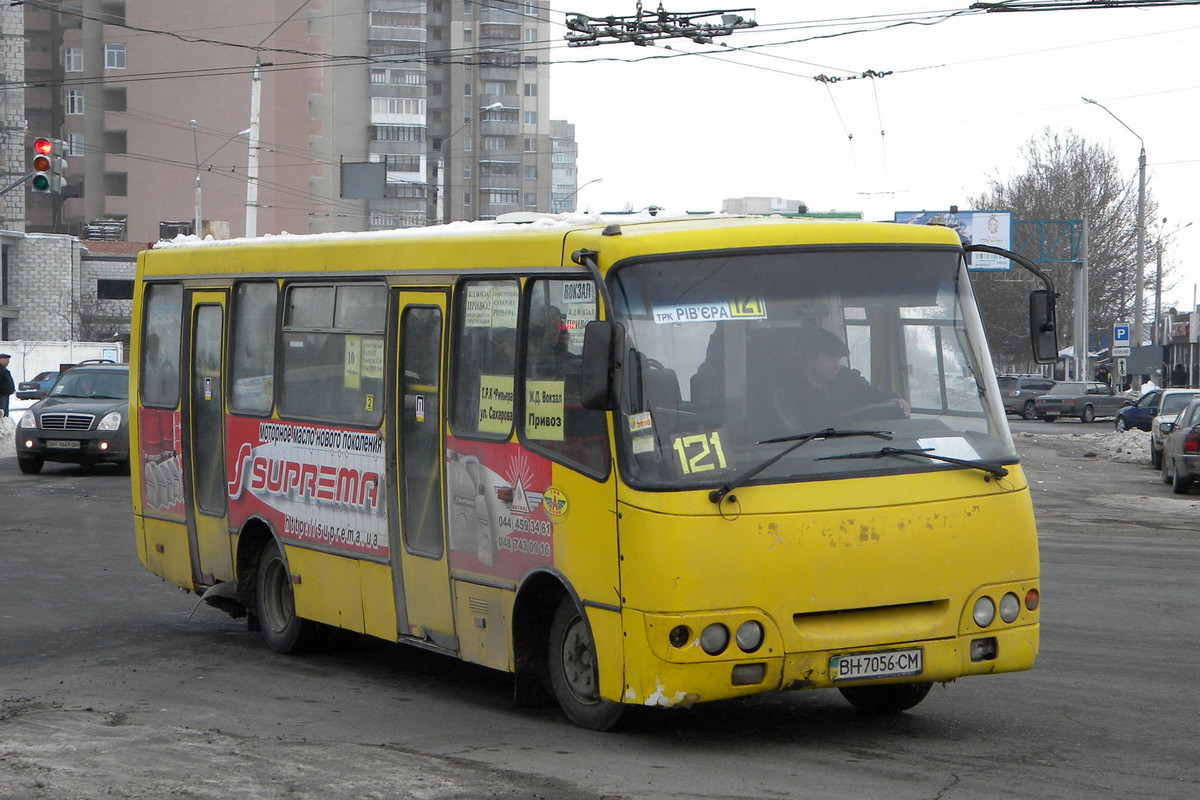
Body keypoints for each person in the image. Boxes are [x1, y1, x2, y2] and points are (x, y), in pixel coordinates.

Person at [773, 328, 909, 432]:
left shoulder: (847, 379)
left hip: (852, 447)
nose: (837, 365)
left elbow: (874, 395)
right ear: (810, 358)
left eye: (838, 359)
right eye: (829, 359)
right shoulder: (787, 391)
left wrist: (895, 399)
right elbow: (794, 432)